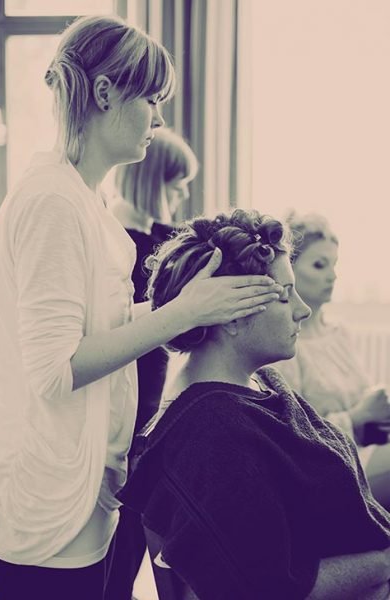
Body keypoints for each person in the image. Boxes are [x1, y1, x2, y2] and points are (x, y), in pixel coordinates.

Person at [0, 16, 282, 600]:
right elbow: (56, 369)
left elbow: (101, 328)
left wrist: (187, 301)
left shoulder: (84, 199)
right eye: (152, 99)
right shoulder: (51, 202)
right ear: (104, 93)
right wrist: (181, 314)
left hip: (84, 491)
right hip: (47, 504)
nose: (159, 119)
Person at [119, 208, 390, 600]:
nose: (302, 309)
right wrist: (383, 561)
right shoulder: (212, 433)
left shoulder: (259, 384)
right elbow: (269, 588)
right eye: (284, 295)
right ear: (231, 315)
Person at [105, 128, 198, 600]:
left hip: (150, 403)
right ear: (154, 181)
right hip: (129, 402)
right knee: (121, 540)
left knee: (137, 532)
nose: (184, 195)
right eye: (178, 185)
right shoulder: (124, 243)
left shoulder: (160, 237)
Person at [275, 212, 390, 510]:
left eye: (334, 264)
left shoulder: (340, 333)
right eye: (319, 265)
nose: (333, 275)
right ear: (289, 270)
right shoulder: (285, 346)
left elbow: (364, 398)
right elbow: (293, 437)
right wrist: (356, 417)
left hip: (363, 451)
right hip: (331, 469)